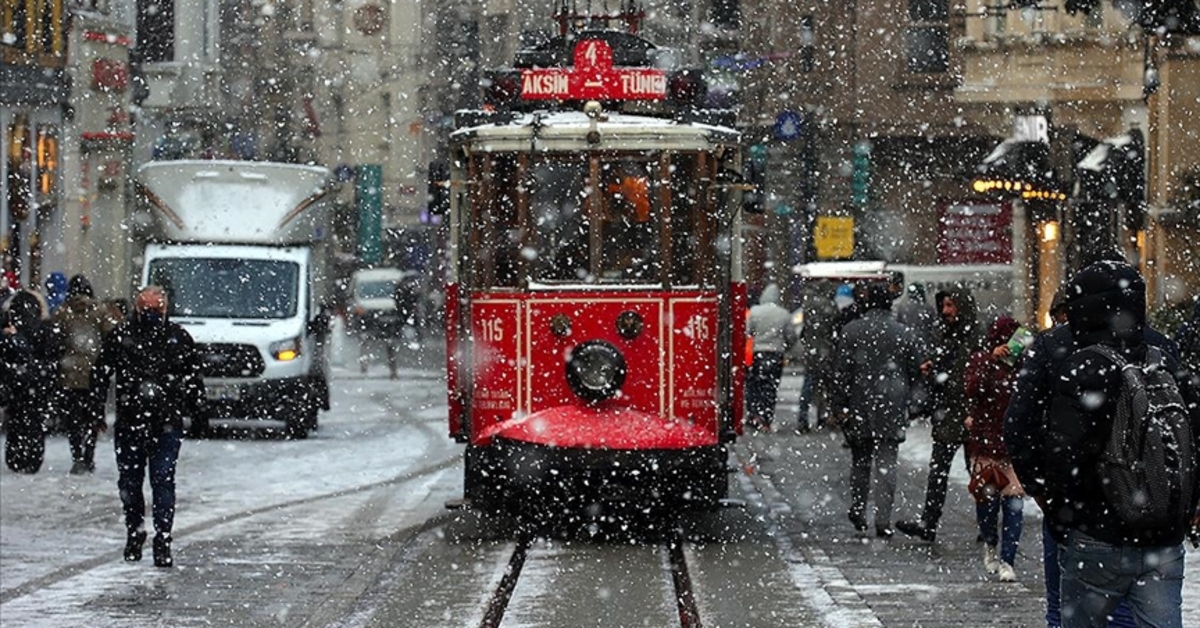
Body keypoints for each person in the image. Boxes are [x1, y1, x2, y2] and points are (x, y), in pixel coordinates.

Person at [1005, 281, 1178, 628]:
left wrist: (1047, 495)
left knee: (1067, 608)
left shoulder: (1062, 351)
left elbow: (1022, 425)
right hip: (1157, 521)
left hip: (1087, 518)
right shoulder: (1160, 350)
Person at [1041, 261, 1198, 628]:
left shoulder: (1083, 367)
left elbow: (1064, 455)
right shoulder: (1166, 363)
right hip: (1162, 537)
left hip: (1099, 533)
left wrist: (1064, 516)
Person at [93, 286, 205, 568]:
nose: (153, 314)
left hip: (164, 422)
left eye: (157, 308)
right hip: (133, 422)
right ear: (137, 309)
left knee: (161, 481)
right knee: (131, 482)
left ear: (166, 309)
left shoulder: (177, 338)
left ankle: (162, 538)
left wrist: (197, 412)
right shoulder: (123, 336)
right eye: (147, 309)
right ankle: (136, 531)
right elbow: (100, 373)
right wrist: (95, 412)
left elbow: (193, 379)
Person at [830, 282, 924, 538]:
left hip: (860, 404)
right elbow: (916, 371)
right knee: (887, 465)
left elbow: (841, 373)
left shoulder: (851, 331)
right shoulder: (903, 333)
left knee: (860, 462)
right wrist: (915, 404)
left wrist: (839, 405)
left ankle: (859, 510)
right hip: (892, 405)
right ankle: (883, 520)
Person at [897, 285, 982, 543]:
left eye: (950, 305)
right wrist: (932, 371)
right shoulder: (943, 333)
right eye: (944, 305)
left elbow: (969, 373)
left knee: (977, 472)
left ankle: (986, 523)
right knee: (938, 471)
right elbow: (944, 370)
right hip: (949, 412)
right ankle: (929, 522)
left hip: (970, 412)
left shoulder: (975, 335)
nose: (945, 311)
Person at [963, 316, 1025, 582]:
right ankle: (990, 543)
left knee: (1014, 507)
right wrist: (990, 360)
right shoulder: (980, 360)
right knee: (987, 505)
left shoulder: (1023, 364)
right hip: (987, 444)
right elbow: (971, 389)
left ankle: (1008, 559)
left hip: (1014, 445)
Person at [52, 275, 119, 474]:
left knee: (73, 418)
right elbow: (112, 335)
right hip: (95, 372)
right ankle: (89, 454)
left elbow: (55, 339)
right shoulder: (100, 311)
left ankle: (77, 456)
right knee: (93, 416)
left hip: (69, 373)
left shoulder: (63, 312)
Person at [0, 289, 59, 473]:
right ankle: (32, 458)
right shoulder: (44, 327)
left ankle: (16, 457)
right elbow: (52, 351)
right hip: (36, 381)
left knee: (16, 418)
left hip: (16, 380)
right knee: (34, 420)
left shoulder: (12, 328)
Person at [745, 283, 795, 432]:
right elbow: (791, 336)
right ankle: (767, 418)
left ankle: (755, 414)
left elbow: (747, 332)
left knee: (755, 385)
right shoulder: (784, 314)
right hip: (776, 354)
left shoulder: (754, 312)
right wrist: (785, 347)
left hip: (758, 353)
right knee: (771, 387)